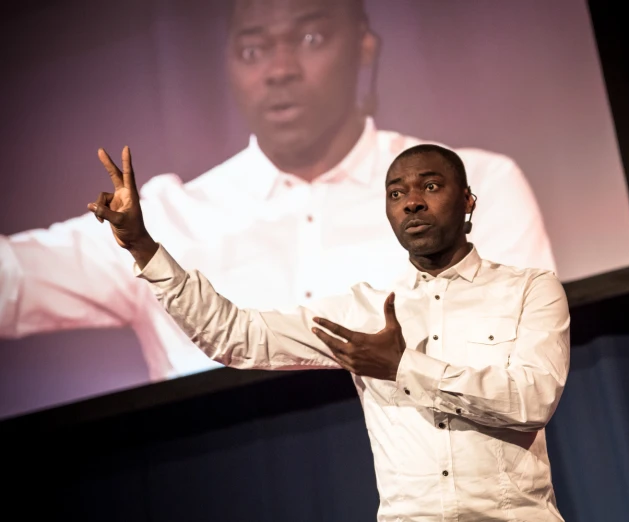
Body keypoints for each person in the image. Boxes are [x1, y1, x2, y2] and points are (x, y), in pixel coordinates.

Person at [0, 0, 556, 383]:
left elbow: (521, 368)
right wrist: (142, 245)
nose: (280, 69)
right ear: (228, 66)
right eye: (253, 50)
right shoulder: (159, 221)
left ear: (364, 46)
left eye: (311, 38)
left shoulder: (478, 184)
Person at [90, 143, 570, 521]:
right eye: (397, 193)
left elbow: (532, 401)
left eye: (430, 186)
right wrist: (142, 246)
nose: (413, 203)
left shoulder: (529, 289)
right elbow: (235, 335)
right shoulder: (364, 311)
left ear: (467, 201)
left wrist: (404, 367)